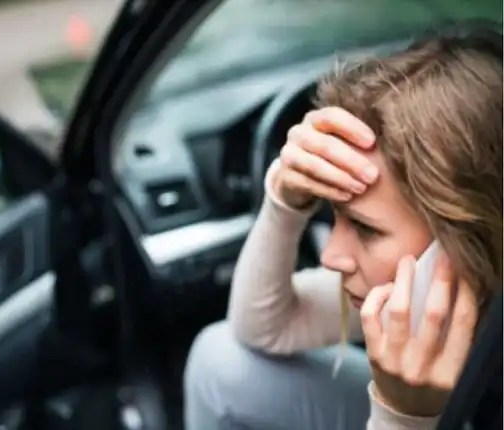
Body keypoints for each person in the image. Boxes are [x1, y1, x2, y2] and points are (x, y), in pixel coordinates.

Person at [183, 27, 502, 430]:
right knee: (221, 360)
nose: (331, 256)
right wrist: (284, 201)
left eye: (366, 229)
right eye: (333, 215)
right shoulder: (430, 290)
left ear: (469, 239)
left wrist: (400, 419)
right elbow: (264, 329)